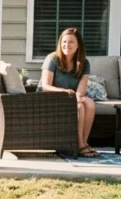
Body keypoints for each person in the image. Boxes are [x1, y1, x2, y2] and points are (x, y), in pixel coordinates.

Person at [40, 27, 98, 157]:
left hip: (69, 97)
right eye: (64, 42)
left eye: (71, 42)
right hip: (50, 98)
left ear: (78, 45)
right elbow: (45, 86)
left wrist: (77, 96)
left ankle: (83, 142)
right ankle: (80, 145)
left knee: (89, 103)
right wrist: (65, 92)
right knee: (79, 107)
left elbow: (81, 89)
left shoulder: (84, 63)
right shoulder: (52, 58)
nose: (67, 45)